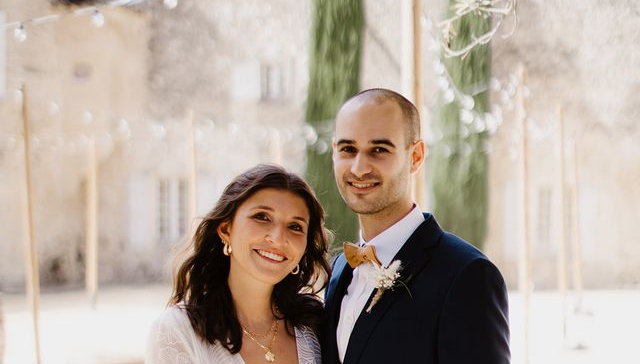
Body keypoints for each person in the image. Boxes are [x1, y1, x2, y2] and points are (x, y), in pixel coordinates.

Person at [321, 88, 510, 364]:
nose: (359, 168)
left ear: (416, 156)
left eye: (379, 150)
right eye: (348, 149)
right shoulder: (339, 270)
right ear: (334, 152)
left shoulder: (466, 275)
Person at [146, 163, 331, 364]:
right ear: (226, 230)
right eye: (262, 217)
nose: (278, 238)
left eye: (295, 227)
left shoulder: (314, 324)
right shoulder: (178, 331)